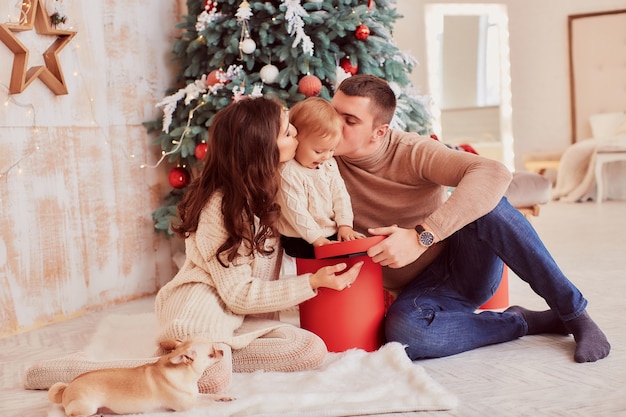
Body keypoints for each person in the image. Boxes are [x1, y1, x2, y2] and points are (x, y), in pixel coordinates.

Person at [24, 97, 363, 393]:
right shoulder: (221, 206)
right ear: (262, 148)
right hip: (201, 308)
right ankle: (87, 370)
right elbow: (237, 293)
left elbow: (320, 205)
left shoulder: (273, 187)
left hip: (238, 315)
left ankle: (207, 353)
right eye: (289, 133)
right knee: (212, 379)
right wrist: (313, 283)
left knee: (308, 350)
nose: (298, 137)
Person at [330, 74, 610, 363]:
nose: (334, 125)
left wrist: (420, 237)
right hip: (421, 292)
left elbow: (494, 172)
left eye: (350, 121)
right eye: (332, 112)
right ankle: (524, 322)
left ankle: (575, 314)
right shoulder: (318, 158)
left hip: (464, 267)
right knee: (406, 335)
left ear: (380, 132)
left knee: (490, 206)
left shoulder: (412, 151)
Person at [277, 97, 363, 259]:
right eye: (318, 151)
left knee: (357, 252)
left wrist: (345, 225)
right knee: (331, 263)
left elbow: (340, 196)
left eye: (331, 150)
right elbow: (296, 213)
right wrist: (317, 240)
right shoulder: (288, 171)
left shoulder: (329, 164)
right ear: (297, 140)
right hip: (300, 237)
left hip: (329, 232)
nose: (326, 156)